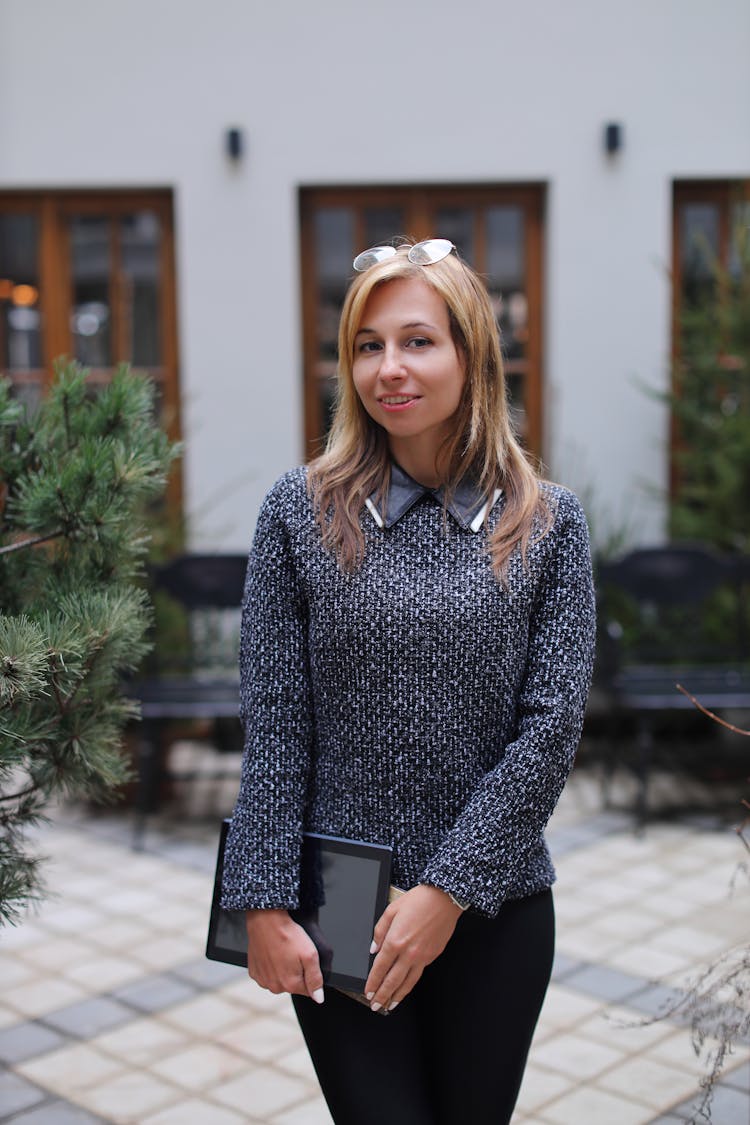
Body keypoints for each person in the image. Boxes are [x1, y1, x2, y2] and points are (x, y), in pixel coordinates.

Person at [221, 238, 596, 1125]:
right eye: (366, 344)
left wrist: (445, 892)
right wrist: (260, 898)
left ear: (472, 353)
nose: (389, 368)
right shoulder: (297, 511)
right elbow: (275, 720)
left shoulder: (549, 524)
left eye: (418, 341)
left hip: (494, 906)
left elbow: (549, 735)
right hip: (339, 902)